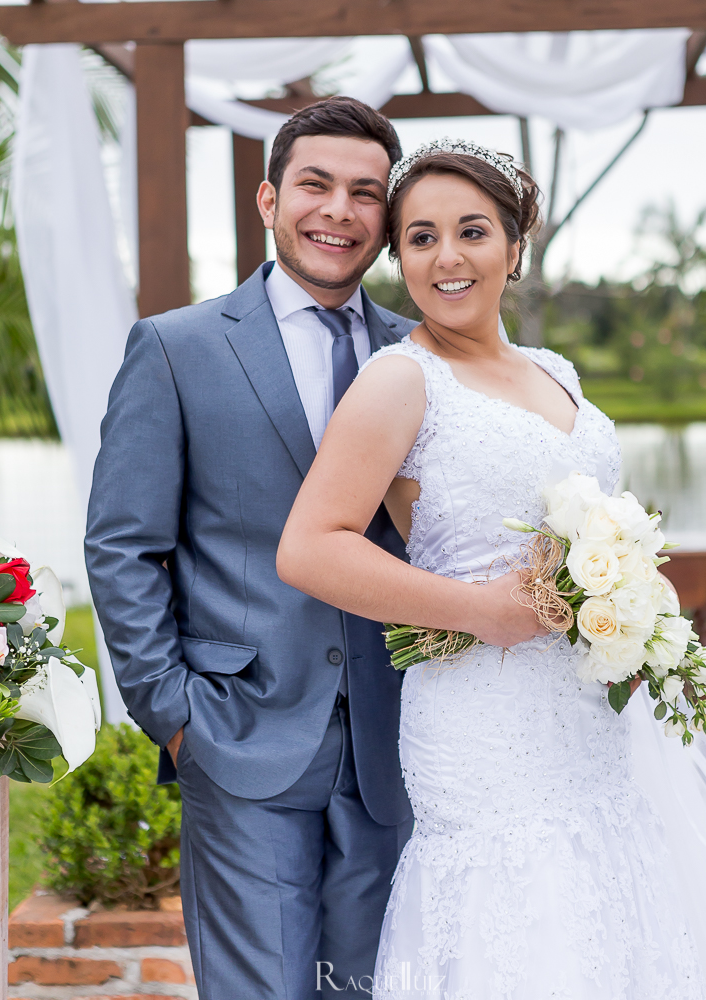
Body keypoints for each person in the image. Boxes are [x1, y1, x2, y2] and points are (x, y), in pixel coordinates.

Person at [278, 138, 706, 999]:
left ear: (516, 248)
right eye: (422, 238)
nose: (447, 256)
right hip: (482, 722)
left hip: (590, 714)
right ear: (400, 258)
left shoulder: (556, 372)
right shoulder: (401, 381)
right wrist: (479, 608)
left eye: (472, 231)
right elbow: (310, 546)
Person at [88, 97, 439, 1000]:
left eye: (366, 193)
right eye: (316, 185)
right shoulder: (176, 348)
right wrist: (175, 716)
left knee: (374, 988)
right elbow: (124, 546)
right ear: (269, 199)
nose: (339, 211)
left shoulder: (422, 357)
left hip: (398, 746)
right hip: (238, 734)